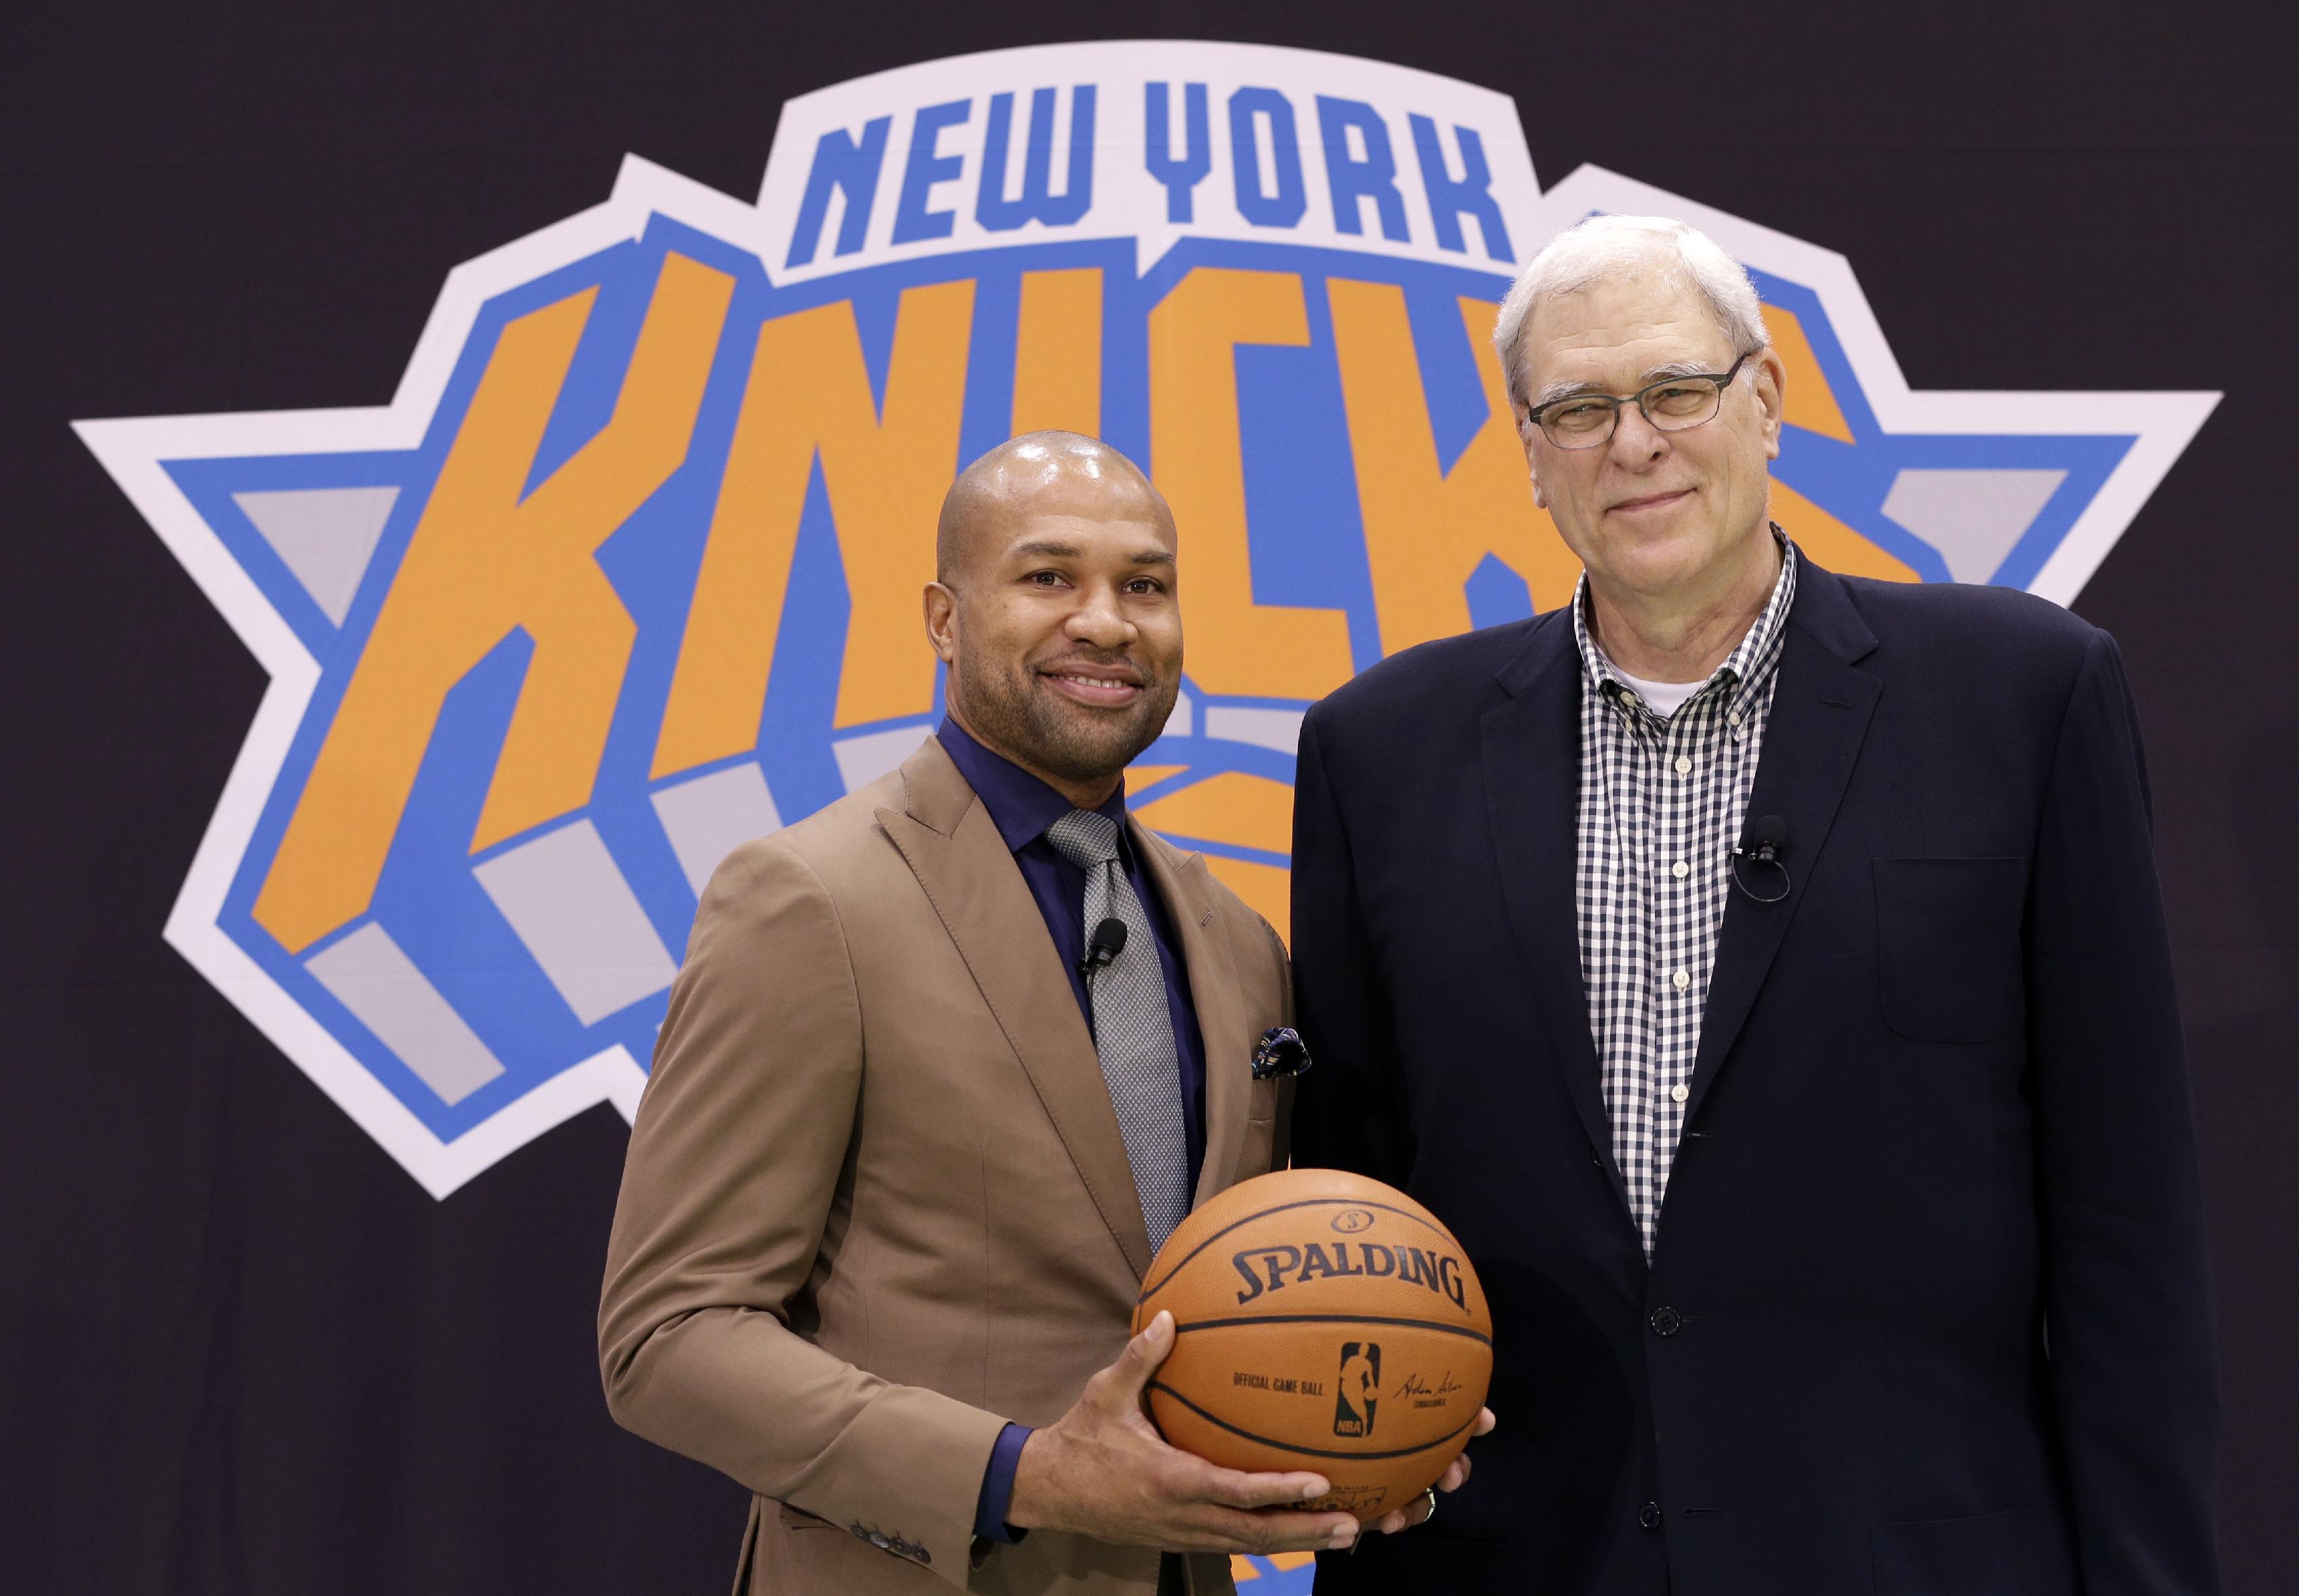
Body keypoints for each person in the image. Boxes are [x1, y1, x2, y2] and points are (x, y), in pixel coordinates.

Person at [1288, 217, 2218, 1594]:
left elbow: (2124, 1228)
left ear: (1764, 401)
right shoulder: (1378, 748)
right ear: (1528, 454)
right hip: (1519, 1562)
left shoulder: (2024, 696)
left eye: (1674, 391)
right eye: (1578, 408)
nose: (1633, 442)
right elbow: (1349, 1201)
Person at [598, 432, 1478, 1596]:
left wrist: (1363, 1433)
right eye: (1048, 576)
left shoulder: (1234, 941)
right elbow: (669, 1339)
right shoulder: (810, 901)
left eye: (1145, 586)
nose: (1107, 623)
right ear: (943, 617)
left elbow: (1237, 1298)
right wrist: (1021, 1473)